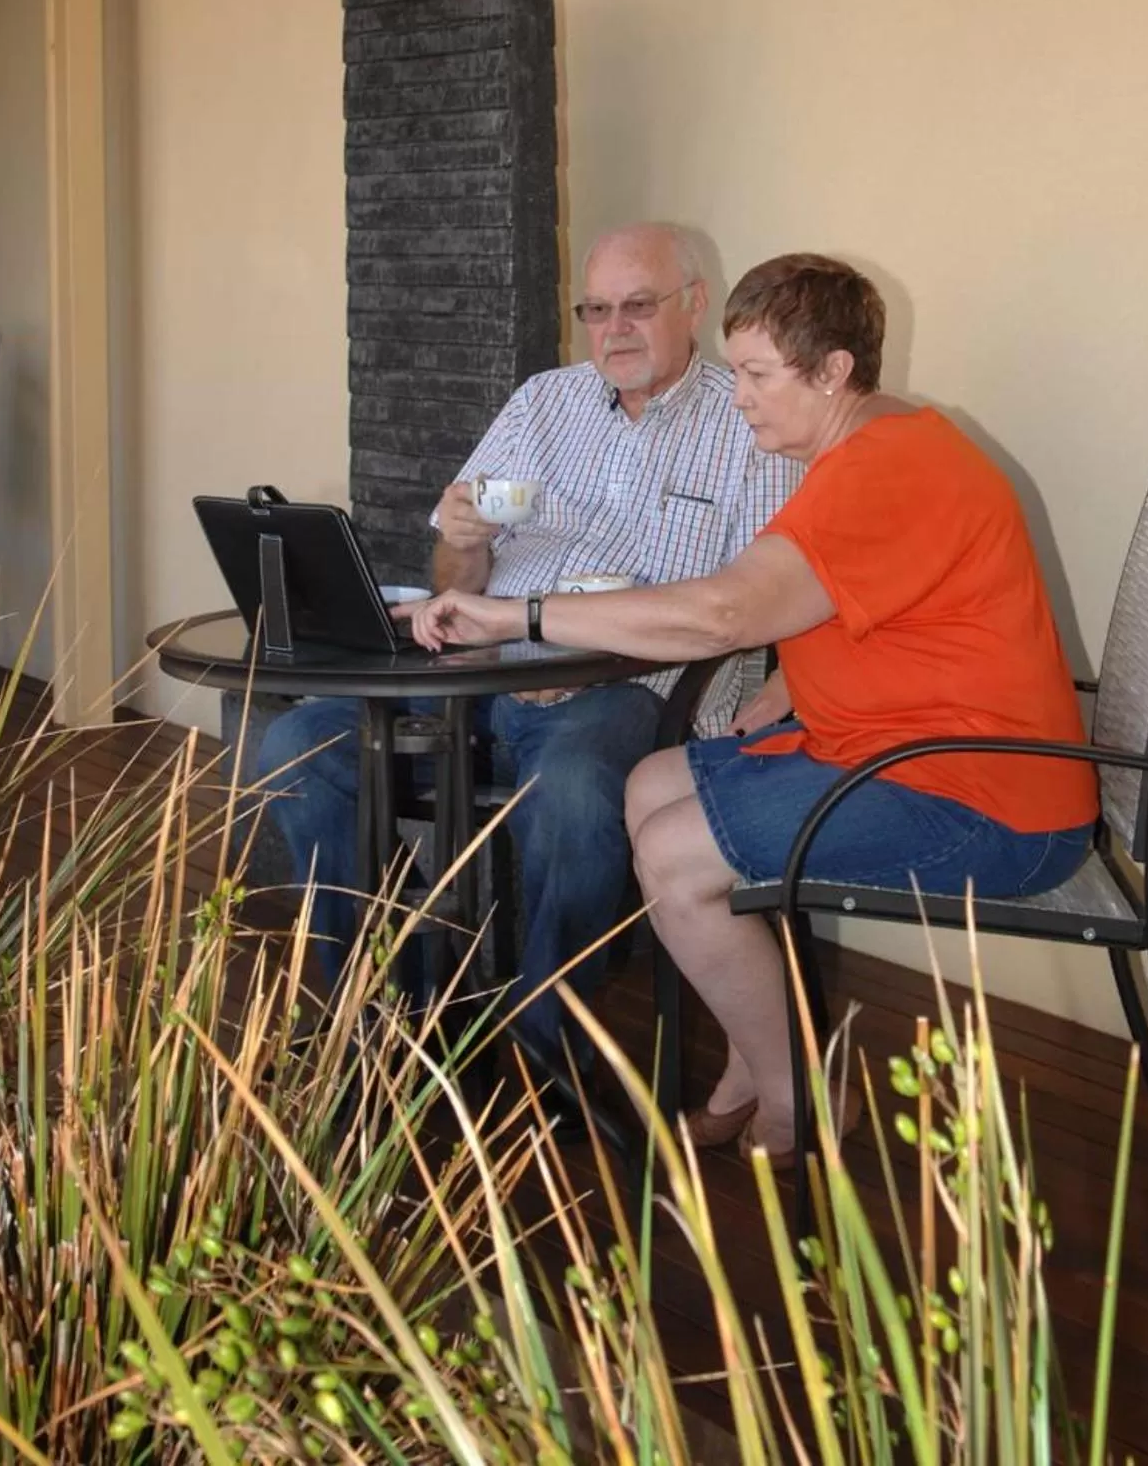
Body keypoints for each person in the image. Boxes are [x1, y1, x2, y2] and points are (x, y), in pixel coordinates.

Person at [411, 253, 1098, 1160]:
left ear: (834, 371)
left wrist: (519, 613)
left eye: (756, 374)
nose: (736, 396)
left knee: (673, 851)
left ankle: (799, 1098)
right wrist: (790, 682)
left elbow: (728, 609)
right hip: (898, 743)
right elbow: (880, 607)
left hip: (982, 797)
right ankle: (750, 1056)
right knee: (652, 781)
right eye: (736, 370)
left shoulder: (884, 469)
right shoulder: (879, 439)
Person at [258, 222, 800, 1057]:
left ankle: (547, 1049)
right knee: (299, 745)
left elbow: (770, 598)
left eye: (637, 305)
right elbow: (456, 577)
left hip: (633, 693)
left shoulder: (746, 421)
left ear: (694, 304)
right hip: (481, 681)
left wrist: (786, 682)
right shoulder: (542, 402)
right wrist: (466, 541)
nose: (613, 328)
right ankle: (392, 1012)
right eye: (596, 308)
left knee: (575, 791)